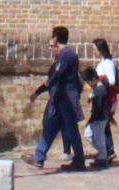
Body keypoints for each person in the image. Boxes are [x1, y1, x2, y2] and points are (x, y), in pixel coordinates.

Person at [28, 26, 86, 170]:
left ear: (55, 38)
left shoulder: (66, 54)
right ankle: (39, 156)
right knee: (50, 127)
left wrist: (38, 91)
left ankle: (79, 160)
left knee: (70, 129)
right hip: (60, 98)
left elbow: (56, 76)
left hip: (66, 99)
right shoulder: (63, 56)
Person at [91, 39, 119, 165]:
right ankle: (109, 150)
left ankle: (107, 151)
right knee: (105, 125)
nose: (93, 51)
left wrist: (99, 81)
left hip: (107, 98)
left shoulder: (107, 63)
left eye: (95, 49)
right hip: (101, 97)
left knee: (102, 124)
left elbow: (112, 81)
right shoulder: (102, 62)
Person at [81, 65, 113, 169]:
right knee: (89, 135)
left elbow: (97, 107)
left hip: (100, 118)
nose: (88, 84)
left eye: (89, 82)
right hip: (99, 117)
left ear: (94, 79)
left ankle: (102, 157)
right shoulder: (98, 89)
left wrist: (91, 119)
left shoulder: (99, 90)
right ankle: (102, 153)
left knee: (98, 138)